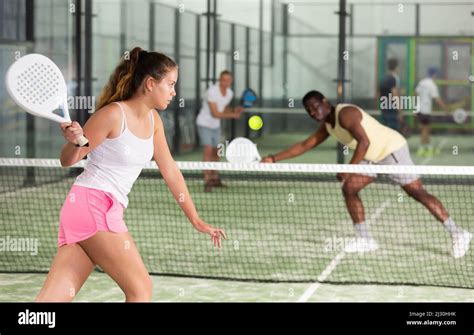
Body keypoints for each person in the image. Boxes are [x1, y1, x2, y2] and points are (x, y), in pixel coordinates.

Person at [36, 47, 226, 302]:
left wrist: (196, 219)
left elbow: (170, 171)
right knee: (140, 289)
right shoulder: (113, 114)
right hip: (93, 206)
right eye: (170, 84)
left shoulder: (154, 121)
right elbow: (68, 160)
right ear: (150, 83)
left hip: (91, 211)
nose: (174, 92)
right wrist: (74, 141)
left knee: (51, 302)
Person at [262, 90, 471, 258]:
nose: (313, 112)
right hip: (372, 158)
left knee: (417, 193)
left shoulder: (345, 114)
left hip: (391, 150)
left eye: (315, 107)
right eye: (309, 111)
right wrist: (273, 158)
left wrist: (348, 169)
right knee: (350, 189)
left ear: (325, 102)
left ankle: (458, 233)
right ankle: (365, 239)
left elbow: (364, 142)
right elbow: (305, 145)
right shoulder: (328, 125)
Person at [196, 70, 243, 192]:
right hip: (204, 123)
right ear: (220, 80)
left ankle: (214, 178)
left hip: (216, 126)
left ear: (231, 81)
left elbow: (223, 108)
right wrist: (233, 115)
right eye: (224, 80)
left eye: (228, 80)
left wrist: (234, 110)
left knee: (217, 152)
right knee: (208, 150)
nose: (226, 82)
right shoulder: (212, 91)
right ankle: (207, 181)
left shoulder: (229, 93)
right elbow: (215, 113)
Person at [415, 67, 449, 157]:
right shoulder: (432, 85)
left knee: (426, 129)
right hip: (425, 110)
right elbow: (437, 99)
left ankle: (429, 147)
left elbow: (416, 93)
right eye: (436, 75)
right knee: (425, 130)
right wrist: (445, 108)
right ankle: (421, 149)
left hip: (419, 109)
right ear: (434, 75)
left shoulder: (421, 82)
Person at [379, 58, 404, 132]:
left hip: (384, 108)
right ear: (396, 67)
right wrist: (400, 111)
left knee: (387, 131)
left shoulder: (384, 78)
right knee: (393, 131)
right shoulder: (394, 78)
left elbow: (379, 93)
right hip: (392, 109)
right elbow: (395, 94)